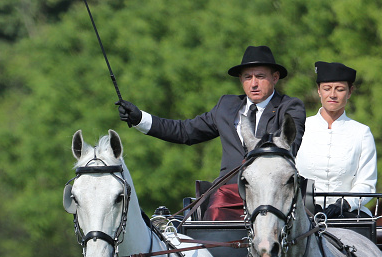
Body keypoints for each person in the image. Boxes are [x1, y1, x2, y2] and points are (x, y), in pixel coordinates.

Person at [117, 45, 306, 220]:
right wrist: (140, 118)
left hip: (271, 195)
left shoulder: (289, 107)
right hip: (229, 195)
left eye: (260, 76)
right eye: (248, 77)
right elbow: (185, 132)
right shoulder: (226, 107)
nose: (254, 83)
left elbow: (290, 145)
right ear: (241, 80)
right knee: (198, 219)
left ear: (275, 77)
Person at [295, 61, 377, 218]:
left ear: (350, 92)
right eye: (327, 89)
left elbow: (366, 183)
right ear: (319, 91)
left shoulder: (361, 133)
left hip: (348, 213)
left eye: (340, 89)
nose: (332, 95)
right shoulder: (300, 127)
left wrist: (344, 204)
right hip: (301, 214)